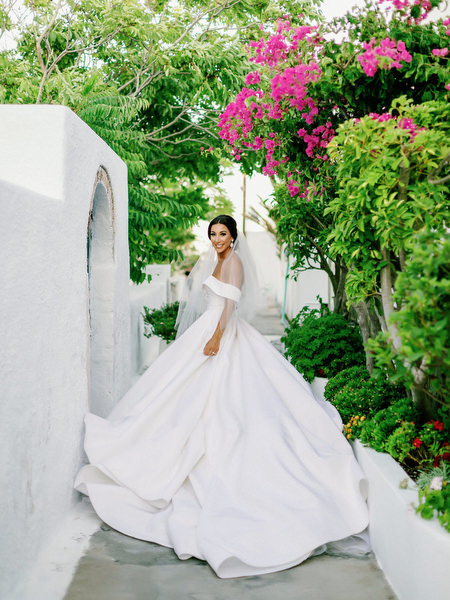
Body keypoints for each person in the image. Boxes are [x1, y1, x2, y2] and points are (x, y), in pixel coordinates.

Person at [75, 215, 370, 579]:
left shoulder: (234, 262)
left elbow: (229, 307)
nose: (217, 239)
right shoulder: (217, 260)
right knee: (176, 396)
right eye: (213, 234)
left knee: (227, 404)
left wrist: (216, 337)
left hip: (222, 334)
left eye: (223, 234)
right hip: (207, 332)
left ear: (233, 237)